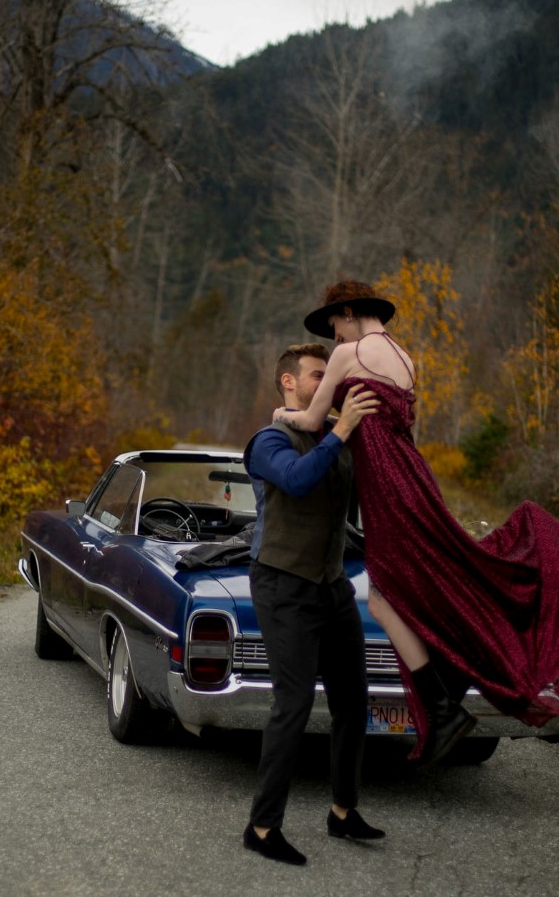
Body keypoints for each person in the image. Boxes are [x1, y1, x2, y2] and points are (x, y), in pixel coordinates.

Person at [273, 280, 559, 770]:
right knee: (423, 584)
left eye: (334, 327)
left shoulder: (352, 354)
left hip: (388, 487)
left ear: (348, 312)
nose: (335, 339)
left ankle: (445, 703)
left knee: (386, 595)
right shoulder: (405, 359)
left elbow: (312, 419)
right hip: (413, 476)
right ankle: (446, 692)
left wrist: (282, 412)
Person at [243, 342, 386, 867]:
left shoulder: (334, 438)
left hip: (331, 585)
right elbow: (298, 482)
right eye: (318, 375)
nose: (329, 383)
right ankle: (261, 828)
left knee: (353, 699)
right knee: (293, 705)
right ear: (289, 383)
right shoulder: (268, 440)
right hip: (282, 586)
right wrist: (342, 430)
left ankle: (342, 812)